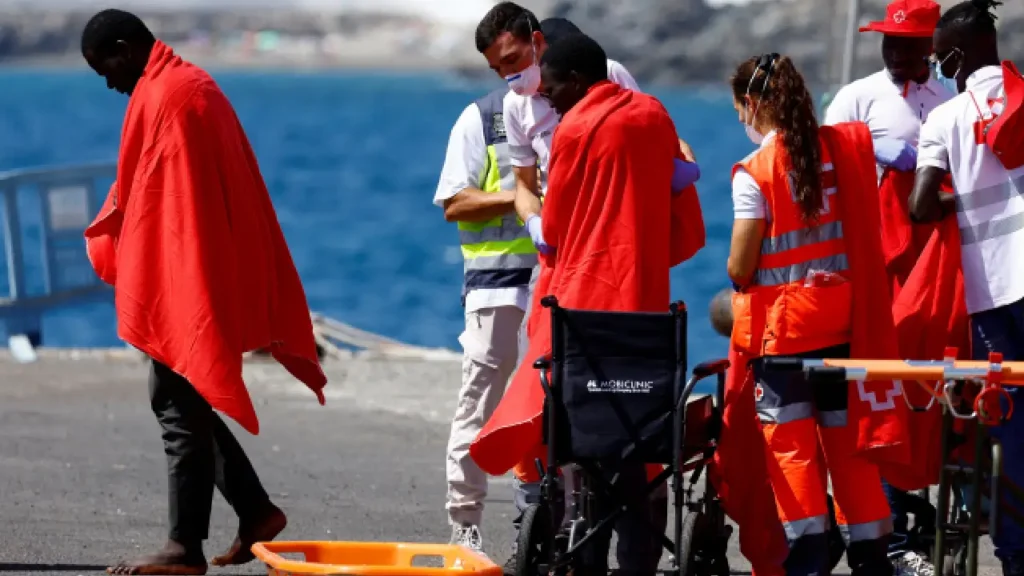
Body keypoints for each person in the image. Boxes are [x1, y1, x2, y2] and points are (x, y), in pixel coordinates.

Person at [80, 9, 327, 575]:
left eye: (106, 68)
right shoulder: (184, 85)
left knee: (174, 400)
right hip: (195, 269)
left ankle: (183, 549)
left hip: (191, 276)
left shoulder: (172, 94)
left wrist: (170, 285)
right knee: (182, 398)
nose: (109, 82)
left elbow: (173, 205)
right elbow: (158, 189)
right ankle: (256, 510)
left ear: (125, 46)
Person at [470, 32, 706, 576]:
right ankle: (639, 556)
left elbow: (553, 230)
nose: (547, 101)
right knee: (636, 430)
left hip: (584, 303)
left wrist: (531, 215)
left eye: (552, 92)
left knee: (583, 434)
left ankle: (589, 559)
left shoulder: (575, 128)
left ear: (576, 82)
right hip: (644, 303)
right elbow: (684, 220)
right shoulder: (653, 114)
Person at [727, 53, 912, 576]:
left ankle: (808, 557)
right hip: (845, 327)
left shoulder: (754, 173)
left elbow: (741, 265)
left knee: (792, 453)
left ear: (752, 105)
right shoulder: (840, 150)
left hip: (785, 338)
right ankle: (872, 554)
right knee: (848, 452)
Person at [823, 1, 955, 571]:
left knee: (930, 390)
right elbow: (821, 158)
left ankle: (913, 523)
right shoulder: (858, 96)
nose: (896, 54)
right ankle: (885, 532)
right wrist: (868, 150)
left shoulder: (952, 100)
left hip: (941, 266)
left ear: (931, 45)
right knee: (879, 388)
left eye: (907, 45)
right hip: (876, 266)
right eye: (889, 43)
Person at [909, 1, 1024, 573]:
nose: (934, 64)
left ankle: (1016, 554)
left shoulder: (946, 118)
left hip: (996, 295)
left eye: (937, 55)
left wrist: (966, 207)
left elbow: (919, 204)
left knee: (1010, 431)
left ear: (956, 53)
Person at [473, 2, 699, 254]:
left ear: (536, 42)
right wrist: (535, 223)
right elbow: (524, 185)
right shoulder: (514, 106)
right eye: (497, 70)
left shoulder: (606, 71)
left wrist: (681, 161)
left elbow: (652, 127)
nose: (508, 75)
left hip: (623, 233)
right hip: (566, 238)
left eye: (511, 60)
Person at [433, 84, 536, 556]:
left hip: (556, 285)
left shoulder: (566, 109)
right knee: (478, 405)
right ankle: (465, 524)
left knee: (552, 407)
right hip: (496, 284)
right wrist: (520, 196)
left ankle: (542, 521)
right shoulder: (480, 117)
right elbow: (454, 203)